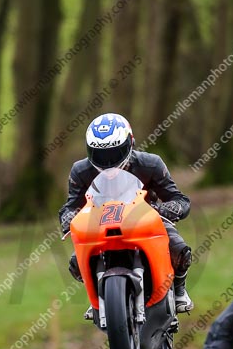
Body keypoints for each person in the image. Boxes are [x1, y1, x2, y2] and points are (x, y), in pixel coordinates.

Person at [59, 112, 194, 313]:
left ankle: (179, 290)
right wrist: (69, 218)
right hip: (99, 224)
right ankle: (99, 293)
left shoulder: (150, 164)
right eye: (100, 154)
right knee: (75, 264)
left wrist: (166, 209)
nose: (108, 162)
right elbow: (70, 206)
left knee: (180, 250)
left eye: (114, 153)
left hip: (146, 220)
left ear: (130, 142)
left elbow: (179, 199)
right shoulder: (80, 171)